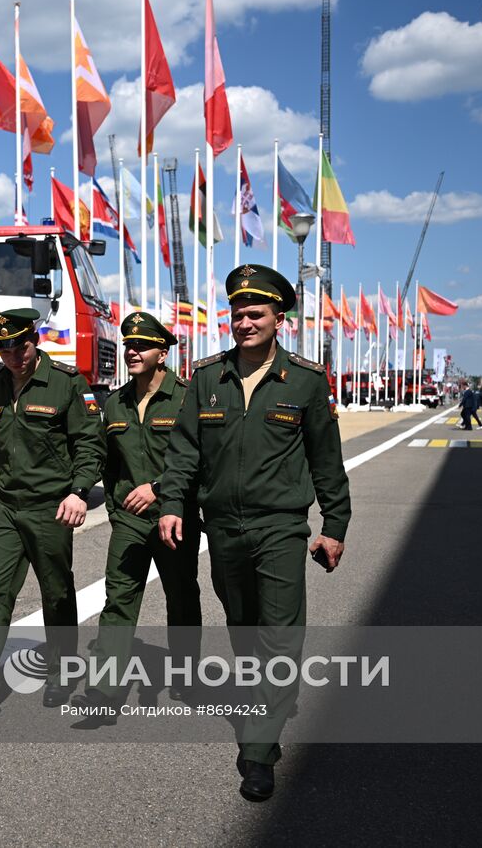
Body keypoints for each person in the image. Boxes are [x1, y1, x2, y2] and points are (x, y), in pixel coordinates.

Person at [157, 264, 351, 803]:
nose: (245, 323)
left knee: (280, 636)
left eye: (256, 314)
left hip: (281, 526)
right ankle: (265, 710)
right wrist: (173, 505)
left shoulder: (307, 381)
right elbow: (184, 454)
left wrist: (333, 526)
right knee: (244, 631)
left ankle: (258, 751)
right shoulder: (205, 379)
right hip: (221, 528)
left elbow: (326, 461)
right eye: (238, 314)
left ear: (278, 319)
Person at [0, 308, 104, 722]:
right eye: (2, 347)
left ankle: (62, 674)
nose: (12, 354)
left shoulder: (66, 384)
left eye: (19, 344)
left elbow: (89, 444)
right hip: (4, 510)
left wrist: (79, 492)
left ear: (35, 339)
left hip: (51, 508)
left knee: (57, 593)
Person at [71, 312, 201, 721]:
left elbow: (201, 457)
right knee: (118, 601)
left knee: (181, 597)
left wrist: (160, 488)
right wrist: (105, 501)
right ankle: (104, 693)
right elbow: (99, 454)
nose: (132, 351)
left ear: (162, 353)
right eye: (128, 345)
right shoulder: (115, 401)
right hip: (129, 519)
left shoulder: (187, 397)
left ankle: (185, 674)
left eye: (142, 345)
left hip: (175, 515)